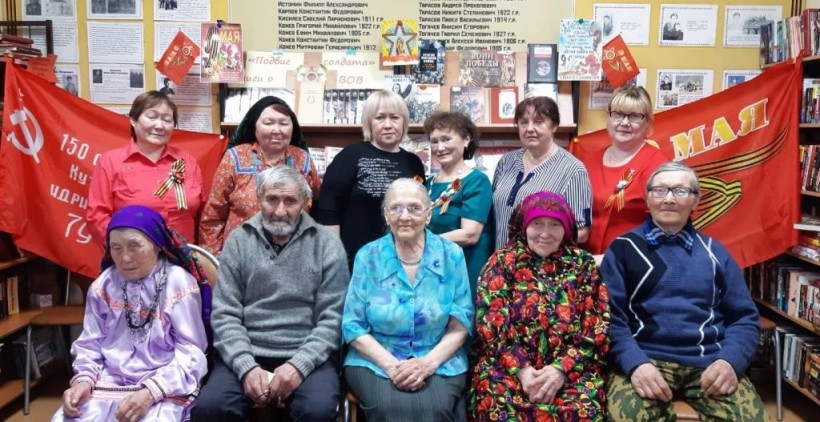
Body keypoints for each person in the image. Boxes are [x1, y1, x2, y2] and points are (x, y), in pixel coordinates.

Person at [601, 162, 767, 421]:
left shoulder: (715, 253)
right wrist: (635, 363)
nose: (669, 199)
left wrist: (729, 361)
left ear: (695, 201)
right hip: (645, 358)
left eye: (680, 191)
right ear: (647, 199)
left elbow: (744, 318)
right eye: (660, 190)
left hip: (709, 361)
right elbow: (609, 319)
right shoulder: (622, 249)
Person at [191, 165, 349, 421]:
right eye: (272, 199)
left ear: (305, 203)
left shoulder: (327, 245)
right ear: (259, 198)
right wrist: (246, 367)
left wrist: (299, 365)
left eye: (290, 201)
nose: (280, 211)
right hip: (247, 349)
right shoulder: (239, 241)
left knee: (317, 411)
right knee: (211, 407)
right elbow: (225, 313)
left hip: (308, 353)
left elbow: (333, 318)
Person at [52, 205, 208, 422]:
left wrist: (151, 392)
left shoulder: (178, 283)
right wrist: (83, 381)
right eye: (116, 248)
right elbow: (90, 344)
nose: (125, 258)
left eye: (135, 246)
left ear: (157, 245)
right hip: (108, 381)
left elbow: (192, 351)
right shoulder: (103, 286)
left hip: (164, 382)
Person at [470, 192, 610, 420]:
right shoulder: (502, 261)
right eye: (537, 224)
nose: (545, 233)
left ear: (567, 228)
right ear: (523, 225)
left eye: (555, 225)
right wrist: (522, 370)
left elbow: (597, 326)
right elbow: (491, 322)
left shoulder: (583, 264)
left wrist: (560, 370)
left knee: (583, 409)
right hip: (507, 367)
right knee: (498, 405)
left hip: (570, 370)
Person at [342, 178, 474, 421]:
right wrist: (392, 367)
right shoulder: (368, 256)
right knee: (390, 409)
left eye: (414, 208)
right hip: (376, 359)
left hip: (438, 357)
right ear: (386, 214)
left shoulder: (451, 255)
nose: (404, 216)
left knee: (435, 409)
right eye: (396, 208)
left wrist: (427, 364)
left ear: (428, 215)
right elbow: (353, 326)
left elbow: (461, 324)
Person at [199, 96, 321, 255]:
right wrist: (215, 260)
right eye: (268, 123)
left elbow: (317, 203)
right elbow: (213, 216)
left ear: (293, 127)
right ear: (254, 126)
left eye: (284, 123)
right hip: (241, 256)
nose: (277, 130)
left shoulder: (303, 159)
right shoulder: (235, 157)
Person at [315, 90, 425, 266]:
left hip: (403, 258)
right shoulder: (350, 156)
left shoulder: (413, 162)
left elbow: (419, 209)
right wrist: (335, 255)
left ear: (404, 121)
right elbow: (328, 210)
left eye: (394, 117)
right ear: (369, 122)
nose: (387, 125)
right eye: (380, 118)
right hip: (354, 259)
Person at [86, 91, 204, 247]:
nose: (159, 126)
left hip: (184, 255)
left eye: (167, 120)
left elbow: (204, 214)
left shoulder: (186, 161)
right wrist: (122, 249)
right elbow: (97, 216)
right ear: (133, 120)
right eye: (152, 117)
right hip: (133, 256)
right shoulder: (110, 161)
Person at [491, 96, 592, 249]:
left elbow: (582, 231)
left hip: (543, 262)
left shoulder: (573, 169)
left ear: (554, 126)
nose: (530, 128)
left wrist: (538, 242)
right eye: (524, 122)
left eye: (538, 122)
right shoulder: (506, 161)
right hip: (500, 259)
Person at [581, 86, 669, 256]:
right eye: (618, 114)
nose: (624, 122)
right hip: (588, 262)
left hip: (634, 262)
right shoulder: (589, 162)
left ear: (647, 122)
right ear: (608, 118)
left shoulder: (658, 167)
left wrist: (618, 259)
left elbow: (667, 228)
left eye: (634, 116)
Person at [423, 111, 492, 295]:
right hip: (431, 269)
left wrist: (420, 242)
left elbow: (470, 234)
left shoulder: (477, 181)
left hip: (464, 269)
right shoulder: (426, 184)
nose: (440, 147)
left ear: (466, 139)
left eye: (446, 139)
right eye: (434, 141)